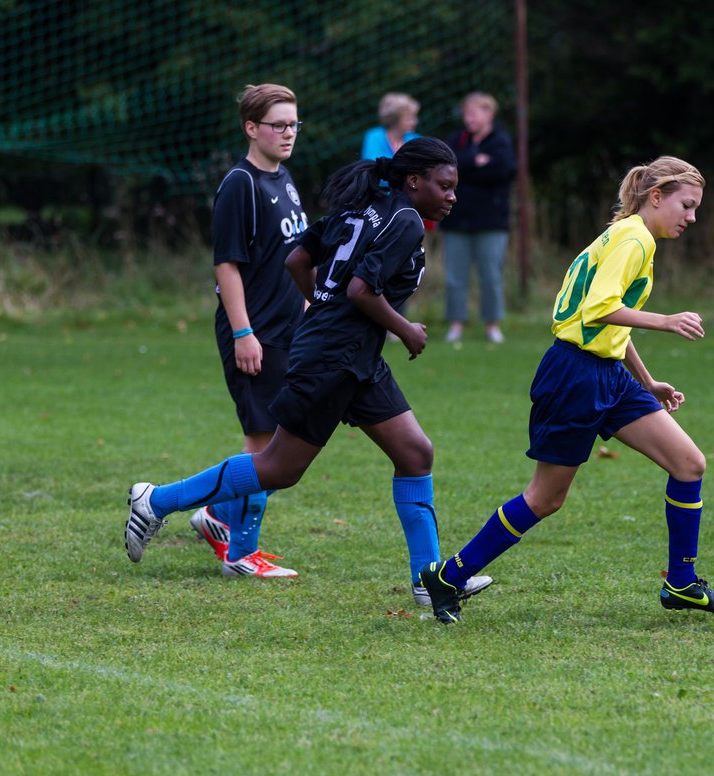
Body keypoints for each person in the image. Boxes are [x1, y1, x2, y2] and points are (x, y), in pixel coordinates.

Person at [125, 139, 492, 605]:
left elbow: (299, 258)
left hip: (353, 356)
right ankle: (155, 501)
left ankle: (429, 584)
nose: (451, 196)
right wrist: (405, 330)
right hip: (332, 357)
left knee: (416, 452)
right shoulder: (402, 220)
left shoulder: (363, 205)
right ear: (414, 181)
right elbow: (361, 290)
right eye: (445, 186)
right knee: (278, 468)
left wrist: (321, 305)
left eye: (454, 188)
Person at [418, 156, 714, 623]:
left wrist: (647, 381)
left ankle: (682, 584)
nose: (691, 217)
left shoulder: (635, 236)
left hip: (608, 374)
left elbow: (611, 322)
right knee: (545, 497)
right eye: (686, 206)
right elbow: (597, 310)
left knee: (689, 464)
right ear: (656, 197)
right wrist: (665, 321)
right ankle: (450, 575)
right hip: (574, 376)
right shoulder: (633, 239)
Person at [188, 83, 310, 579]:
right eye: (278, 124)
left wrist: (308, 305)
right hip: (255, 332)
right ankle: (240, 552)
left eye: (294, 124)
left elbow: (292, 255)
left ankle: (218, 515)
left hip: (289, 329)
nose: (288, 134)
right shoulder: (241, 183)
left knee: (281, 440)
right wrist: (243, 333)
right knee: (265, 443)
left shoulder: (283, 178)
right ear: (251, 128)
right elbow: (228, 266)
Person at [441, 92, 515, 344]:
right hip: (456, 219)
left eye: (473, 113)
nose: (468, 118)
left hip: (492, 222)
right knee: (454, 276)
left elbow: (502, 171)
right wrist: (475, 160)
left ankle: (492, 325)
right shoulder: (456, 140)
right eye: (466, 114)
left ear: (488, 114)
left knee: (491, 275)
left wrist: (466, 170)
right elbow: (445, 169)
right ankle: (455, 325)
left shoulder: (501, 142)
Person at [361, 93, 421, 160]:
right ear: (394, 119)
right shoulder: (374, 137)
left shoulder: (415, 139)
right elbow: (372, 164)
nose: (415, 122)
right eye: (409, 118)